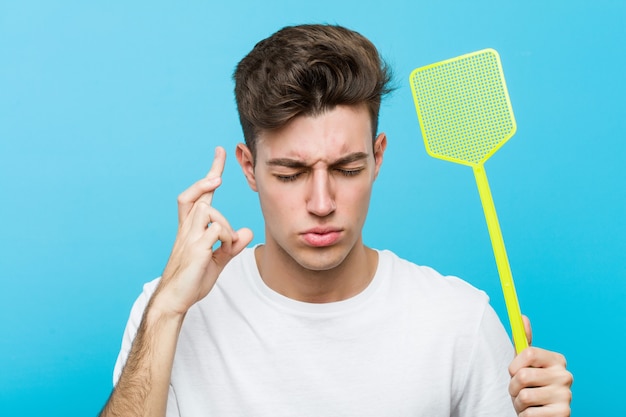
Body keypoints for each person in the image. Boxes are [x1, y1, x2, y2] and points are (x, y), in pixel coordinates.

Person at [100, 24, 573, 417]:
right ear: (249, 168)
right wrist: (163, 313)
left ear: (378, 157)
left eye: (347, 170)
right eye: (291, 173)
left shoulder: (459, 321)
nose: (322, 202)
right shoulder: (169, 314)